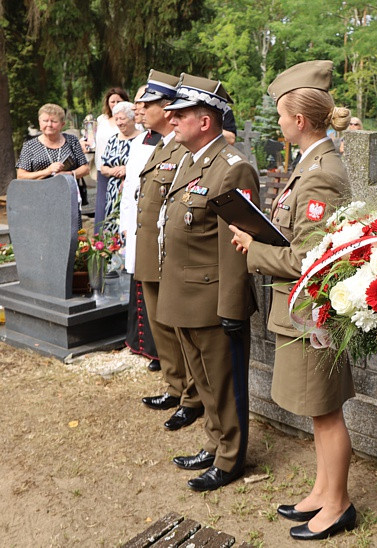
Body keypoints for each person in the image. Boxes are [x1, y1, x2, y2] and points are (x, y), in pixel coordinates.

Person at [227, 60, 357, 541]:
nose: (279, 123)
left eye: (281, 115)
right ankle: (323, 492)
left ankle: (338, 504)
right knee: (317, 412)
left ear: (298, 121)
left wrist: (252, 248)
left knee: (325, 413)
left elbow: (308, 257)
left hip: (310, 314)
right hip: (300, 312)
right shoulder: (313, 164)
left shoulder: (321, 172)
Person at [159, 73, 260, 492]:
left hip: (213, 298)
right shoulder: (189, 160)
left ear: (205, 121)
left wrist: (232, 306)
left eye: (180, 114)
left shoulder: (233, 169)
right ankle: (216, 444)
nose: (171, 119)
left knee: (224, 383)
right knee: (203, 382)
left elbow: (235, 246)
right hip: (183, 295)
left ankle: (232, 458)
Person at [135, 70, 203, 428]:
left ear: (166, 107)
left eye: (148, 104)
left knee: (179, 326)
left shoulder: (182, 147)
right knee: (161, 325)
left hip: (170, 250)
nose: (141, 109)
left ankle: (192, 396)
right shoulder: (160, 145)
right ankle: (175, 385)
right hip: (150, 246)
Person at [119, 85, 160, 369]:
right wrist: (124, 222)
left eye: (142, 104)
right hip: (134, 221)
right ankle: (138, 341)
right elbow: (129, 186)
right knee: (137, 282)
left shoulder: (168, 140)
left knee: (154, 288)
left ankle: (158, 350)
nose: (137, 109)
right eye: (135, 104)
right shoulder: (138, 140)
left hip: (154, 226)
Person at [15, 103, 90, 227]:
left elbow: (85, 168)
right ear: (39, 122)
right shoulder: (30, 145)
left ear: (62, 124)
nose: (49, 124)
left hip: (67, 198)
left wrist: (69, 174)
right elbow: (21, 176)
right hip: (39, 200)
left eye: (53, 121)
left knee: (70, 234)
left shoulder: (72, 141)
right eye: (45, 120)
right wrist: (47, 171)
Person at [99, 101, 140, 234]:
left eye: (122, 118)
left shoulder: (142, 138)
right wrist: (113, 170)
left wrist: (128, 170)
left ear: (133, 118)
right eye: (116, 119)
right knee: (112, 224)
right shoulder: (113, 139)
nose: (119, 122)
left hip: (134, 189)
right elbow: (103, 167)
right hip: (113, 191)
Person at [93, 87, 130, 226]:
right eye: (112, 101)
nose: (115, 104)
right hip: (103, 168)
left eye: (118, 101)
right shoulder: (101, 119)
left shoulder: (130, 120)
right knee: (102, 204)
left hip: (121, 169)